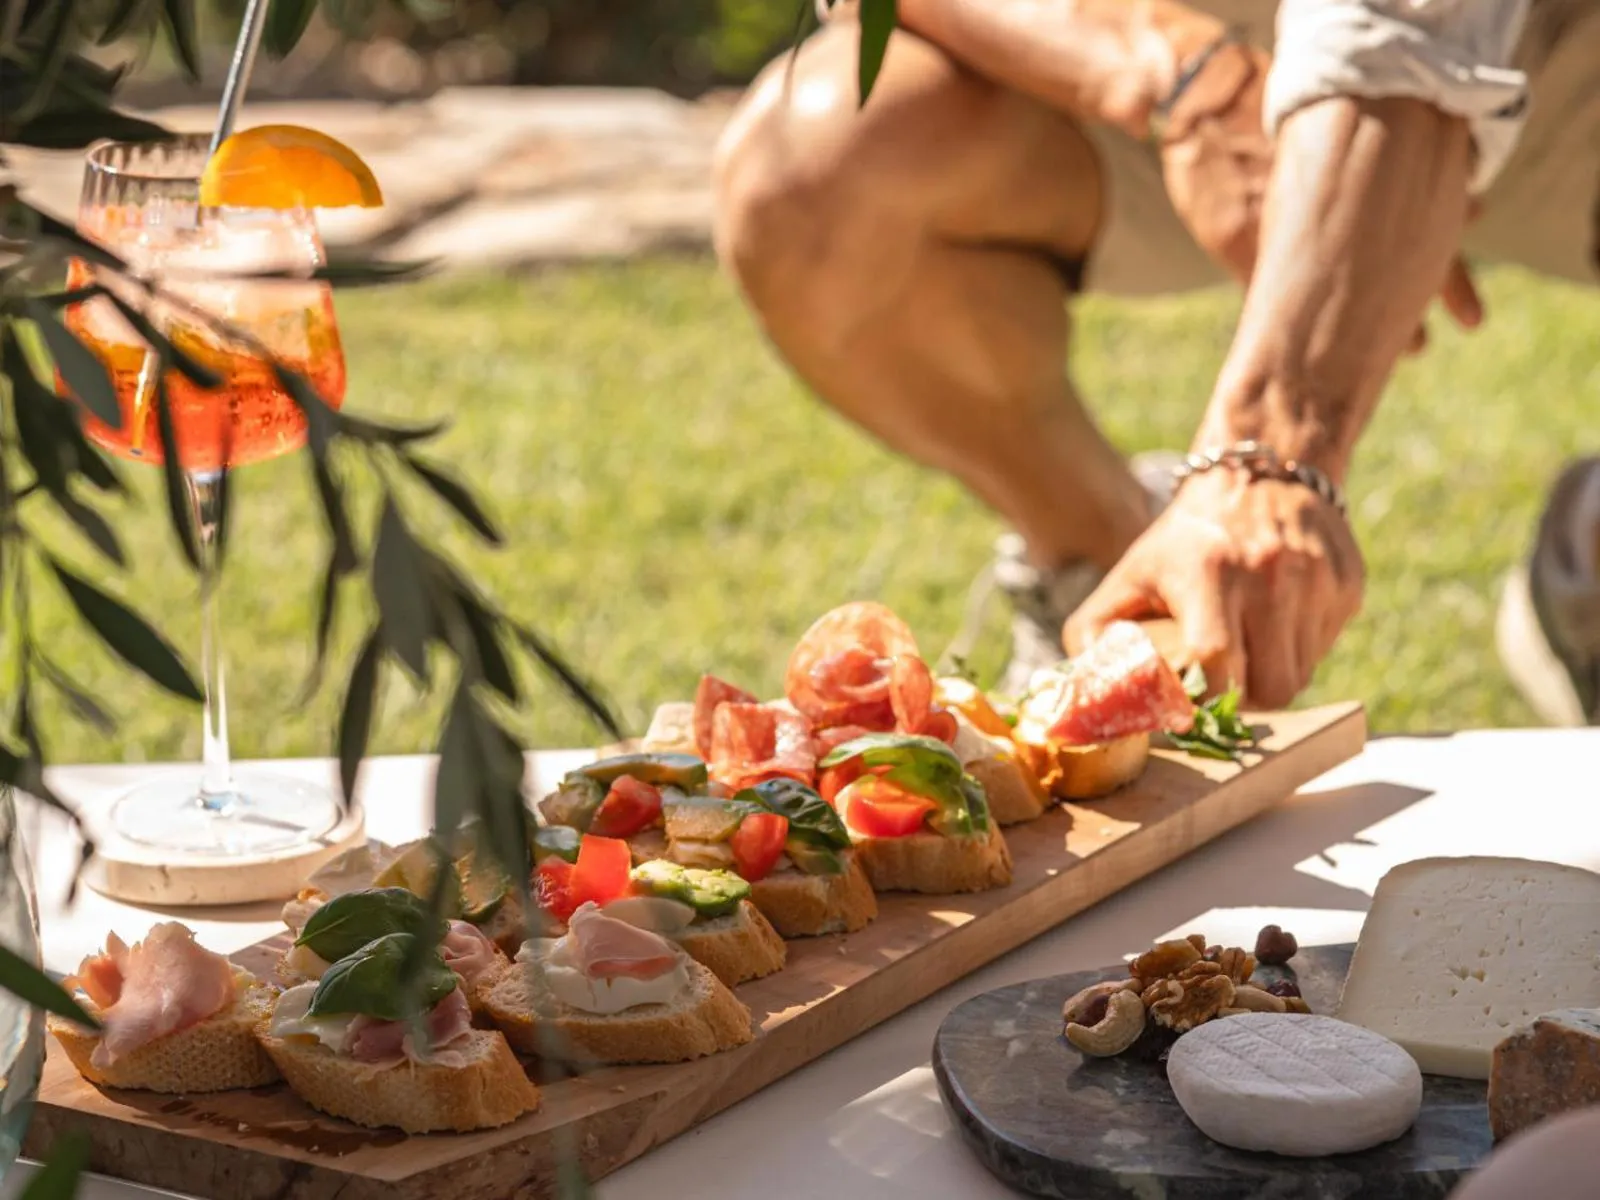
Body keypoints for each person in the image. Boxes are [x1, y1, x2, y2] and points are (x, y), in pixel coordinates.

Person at [711, 0, 1600, 710]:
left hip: (1560, 64)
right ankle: (1117, 608)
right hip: (1178, 63)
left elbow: (1396, 43)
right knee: (810, 170)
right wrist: (1176, 71)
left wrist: (1260, 462)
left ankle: (1589, 553)